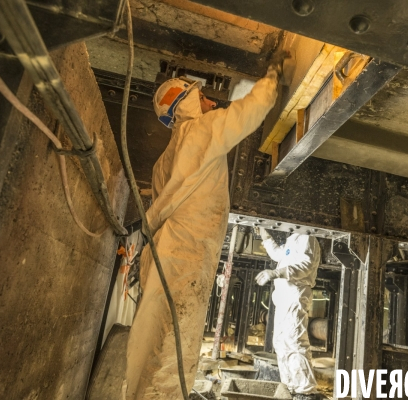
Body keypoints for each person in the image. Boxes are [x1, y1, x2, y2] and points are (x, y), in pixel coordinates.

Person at [123, 53, 287, 399]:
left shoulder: (165, 159)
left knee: (155, 342)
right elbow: (250, 111)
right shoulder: (202, 131)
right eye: (201, 96)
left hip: (169, 255)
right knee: (171, 348)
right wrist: (272, 76)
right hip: (184, 259)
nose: (210, 100)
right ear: (185, 104)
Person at [255, 228, 321, 400]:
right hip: (284, 298)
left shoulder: (306, 237)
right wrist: (266, 237)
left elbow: (306, 265)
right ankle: (291, 387)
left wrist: (276, 273)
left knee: (294, 340)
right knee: (280, 342)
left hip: (295, 294)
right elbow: (279, 255)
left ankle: (306, 391)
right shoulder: (292, 239)